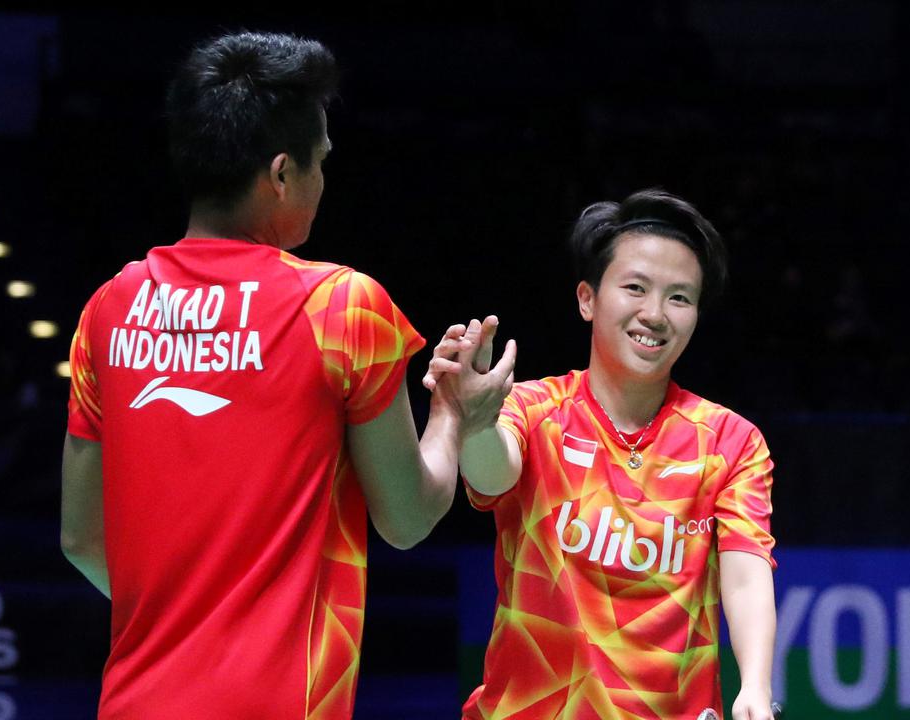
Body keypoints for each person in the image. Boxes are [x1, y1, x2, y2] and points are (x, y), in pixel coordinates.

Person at [59, 31, 513, 719]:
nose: (324, 181)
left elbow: (81, 539)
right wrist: (454, 415)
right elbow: (409, 517)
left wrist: (184, 633)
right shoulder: (341, 308)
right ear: (280, 173)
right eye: (320, 163)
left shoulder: (108, 310)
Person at [431, 189, 777, 720]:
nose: (656, 314)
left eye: (680, 298)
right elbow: (493, 474)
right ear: (587, 299)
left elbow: (747, 571)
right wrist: (475, 426)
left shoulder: (730, 441)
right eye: (635, 288)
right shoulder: (535, 409)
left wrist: (754, 683)